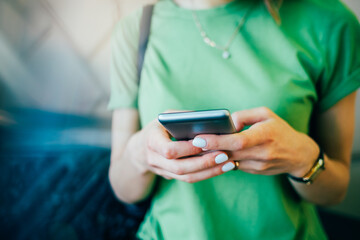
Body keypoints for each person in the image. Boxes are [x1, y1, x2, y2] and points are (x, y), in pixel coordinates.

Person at [108, 0, 360, 239]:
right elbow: (123, 189)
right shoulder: (137, 29)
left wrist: (303, 159)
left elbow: (335, 191)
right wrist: (140, 153)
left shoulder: (331, 23)